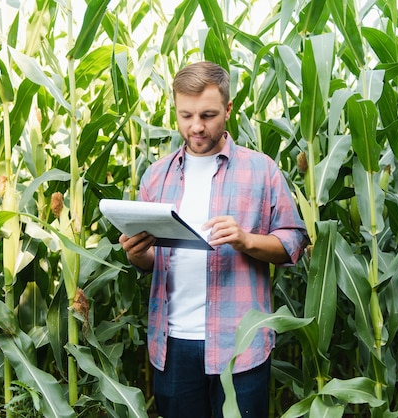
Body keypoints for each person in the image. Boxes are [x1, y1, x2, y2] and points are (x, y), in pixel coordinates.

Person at [119, 61, 308, 417]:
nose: (196, 127)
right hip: (173, 345)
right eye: (185, 115)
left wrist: (245, 240)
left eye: (207, 115)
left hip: (239, 346)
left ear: (229, 109)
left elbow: (294, 242)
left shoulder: (261, 169)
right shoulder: (156, 177)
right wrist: (136, 254)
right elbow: (150, 264)